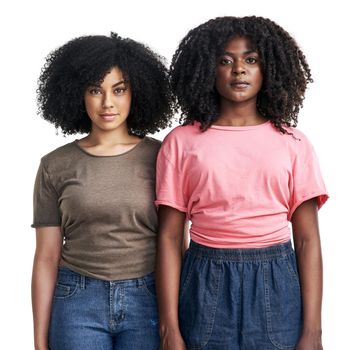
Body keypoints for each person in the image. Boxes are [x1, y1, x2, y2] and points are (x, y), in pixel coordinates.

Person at [155, 16, 327, 350]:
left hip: (276, 280)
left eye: (251, 60)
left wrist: (313, 331)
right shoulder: (181, 142)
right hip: (204, 277)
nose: (239, 70)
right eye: (225, 60)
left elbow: (307, 240)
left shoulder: (294, 144)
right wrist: (169, 329)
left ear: (270, 69)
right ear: (208, 69)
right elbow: (170, 236)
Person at [31, 33, 172, 350]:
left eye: (119, 90)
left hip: (149, 298)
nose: (107, 103)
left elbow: (176, 242)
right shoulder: (55, 165)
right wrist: (40, 341)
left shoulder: (163, 157)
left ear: (136, 92)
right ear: (78, 95)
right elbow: (46, 256)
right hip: (77, 300)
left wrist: (174, 319)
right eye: (96, 90)